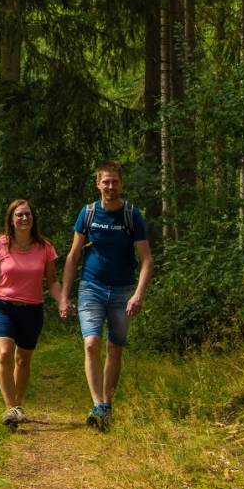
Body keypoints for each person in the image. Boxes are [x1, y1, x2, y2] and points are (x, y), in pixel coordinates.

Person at [59, 161, 154, 431]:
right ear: (97, 184)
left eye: (115, 181)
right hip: (92, 287)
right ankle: (98, 404)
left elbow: (146, 259)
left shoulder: (132, 215)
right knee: (91, 344)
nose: (110, 186)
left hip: (123, 290)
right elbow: (73, 255)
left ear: (121, 184)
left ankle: (106, 406)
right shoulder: (88, 213)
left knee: (115, 348)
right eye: (106, 182)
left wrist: (137, 295)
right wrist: (64, 297)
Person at [0, 199, 61, 429]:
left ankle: (17, 404)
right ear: (11, 220)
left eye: (28, 215)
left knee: (23, 360)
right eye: (19, 215)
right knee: (5, 354)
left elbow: (52, 281)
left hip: (33, 310)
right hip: (3, 307)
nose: (24, 218)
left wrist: (63, 300)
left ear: (33, 219)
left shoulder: (45, 247)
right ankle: (10, 408)